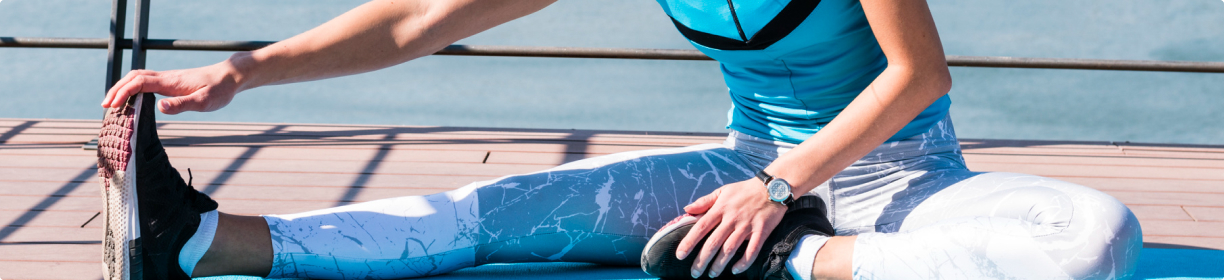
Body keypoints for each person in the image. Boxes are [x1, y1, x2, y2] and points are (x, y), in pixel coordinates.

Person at [98, 0, 1142, 279]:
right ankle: (200, 241)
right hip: (739, 172)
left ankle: (797, 265)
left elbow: (922, 74)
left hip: (896, 178)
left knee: (1091, 239)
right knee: (495, 216)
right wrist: (244, 66)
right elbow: (420, 18)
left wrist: (783, 199)